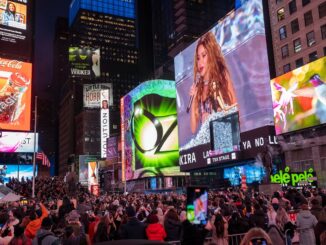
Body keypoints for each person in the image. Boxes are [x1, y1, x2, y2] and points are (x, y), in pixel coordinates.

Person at [189, 31, 237, 134]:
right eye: (198, 58)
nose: (200, 62)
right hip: (206, 143)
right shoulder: (199, 87)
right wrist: (193, 98)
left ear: (211, 56)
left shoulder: (222, 76)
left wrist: (213, 117)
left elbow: (235, 108)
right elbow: (193, 129)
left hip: (223, 138)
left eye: (204, 55)